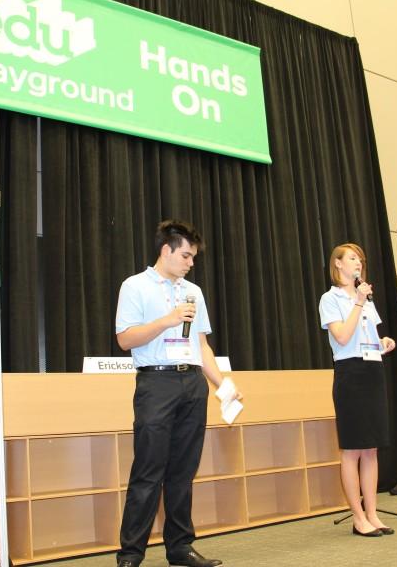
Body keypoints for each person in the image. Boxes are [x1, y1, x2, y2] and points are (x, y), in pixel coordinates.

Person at [115, 220, 241, 567]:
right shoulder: (135, 286)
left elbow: (201, 345)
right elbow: (125, 339)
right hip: (156, 384)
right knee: (148, 470)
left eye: (193, 257)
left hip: (192, 386)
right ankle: (130, 553)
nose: (190, 262)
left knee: (183, 472)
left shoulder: (193, 292)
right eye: (186, 255)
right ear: (166, 250)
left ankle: (180, 547)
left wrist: (222, 385)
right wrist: (168, 320)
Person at [318, 243, 396, 537]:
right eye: (352, 258)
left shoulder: (364, 297)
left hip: (373, 370)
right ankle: (358, 516)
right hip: (350, 373)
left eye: (360, 259)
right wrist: (359, 302)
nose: (358, 263)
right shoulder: (331, 298)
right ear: (337, 264)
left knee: (371, 448)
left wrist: (383, 341)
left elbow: (369, 336)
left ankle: (373, 513)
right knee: (352, 449)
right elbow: (341, 336)